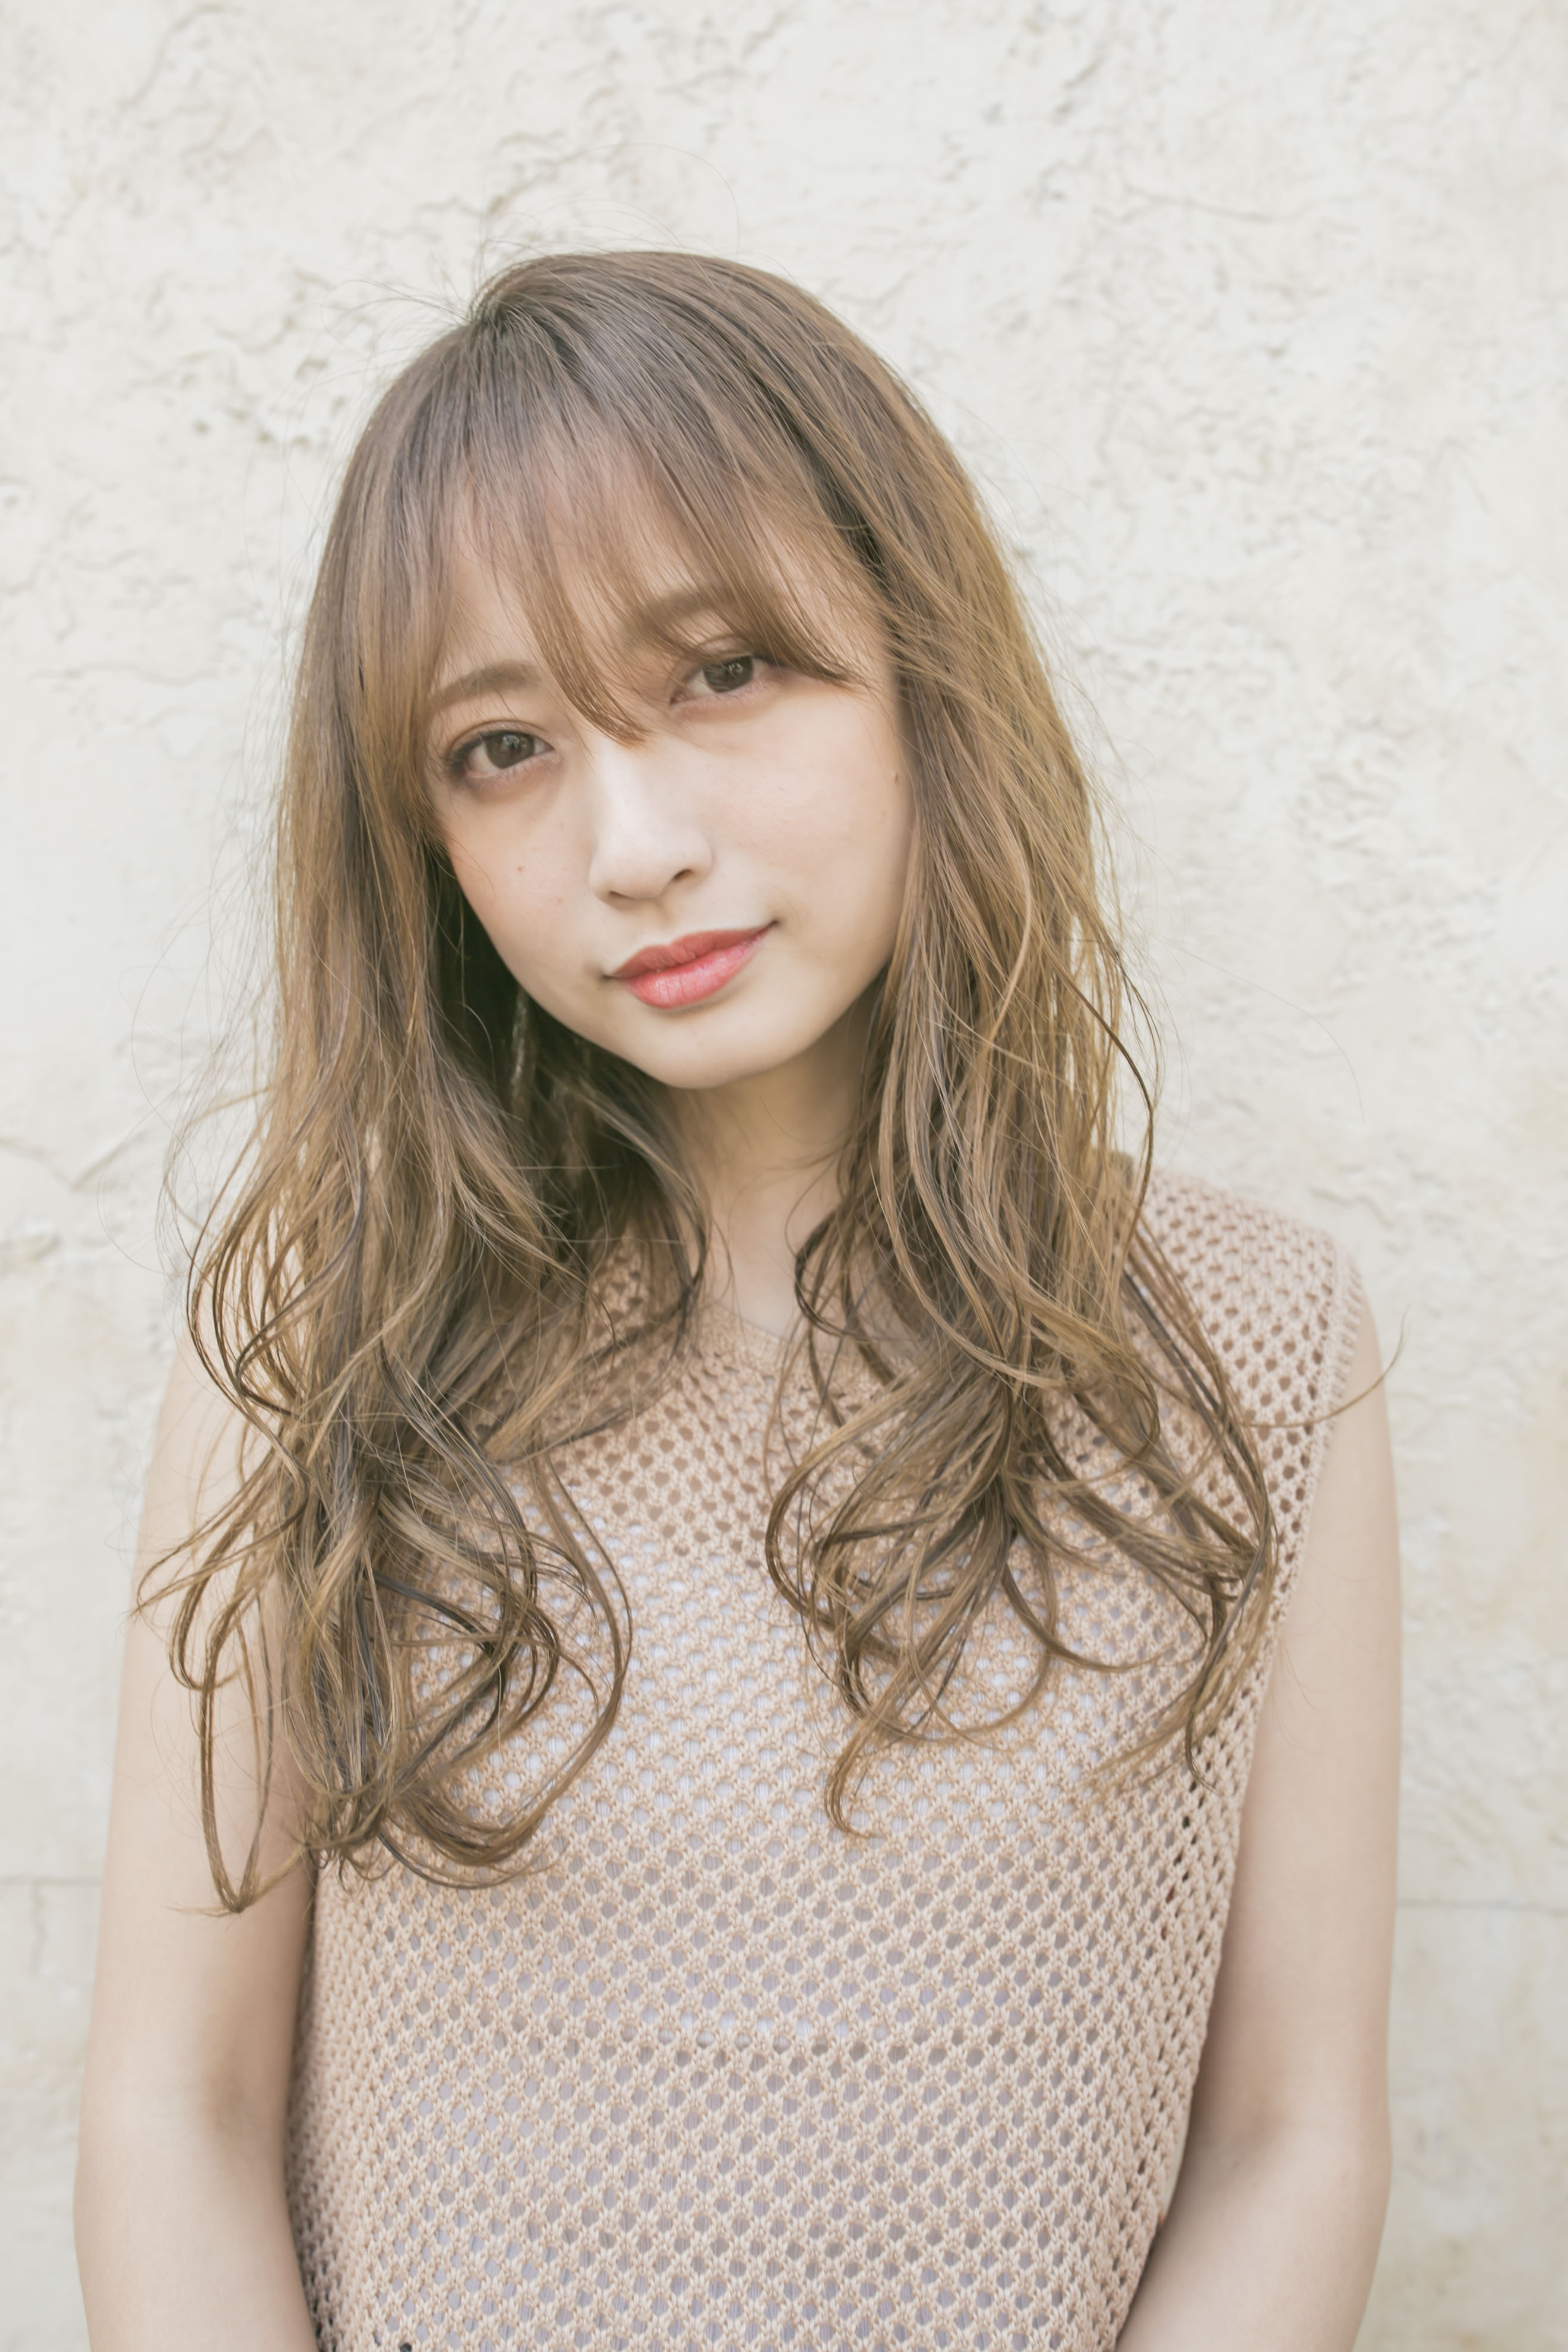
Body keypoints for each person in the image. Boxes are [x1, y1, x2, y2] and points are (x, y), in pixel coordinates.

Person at [74, 251, 1400, 2352]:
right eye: (502, 746)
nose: (632, 843)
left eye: (719, 673)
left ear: (917, 665)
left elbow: (1291, 2134)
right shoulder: (326, 1333)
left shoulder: (1259, 1342)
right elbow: (179, 2107)